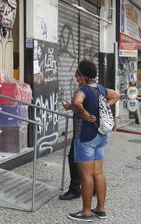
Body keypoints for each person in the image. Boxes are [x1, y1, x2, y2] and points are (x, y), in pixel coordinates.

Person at [68, 60, 119, 222]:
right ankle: (101, 209)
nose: (76, 76)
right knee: (98, 173)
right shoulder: (101, 89)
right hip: (101, 137)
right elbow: (117, 95)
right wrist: (102, 107)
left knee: (86, 175)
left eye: (78, 73)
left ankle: (86, 212)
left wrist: (84, 114)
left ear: (82, 75)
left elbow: (77, 101)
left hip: (86, 137)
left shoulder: (82, 90)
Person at [59, 70, 84, 200]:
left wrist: (71, 106)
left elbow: (79, 105)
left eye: (78, 76)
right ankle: (93, 189)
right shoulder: (98, 88)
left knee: (74, 160)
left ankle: (75, 190)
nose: (76, 79)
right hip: (89, 132)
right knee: (89, 162)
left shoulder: (84, 90)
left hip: (81, 132)